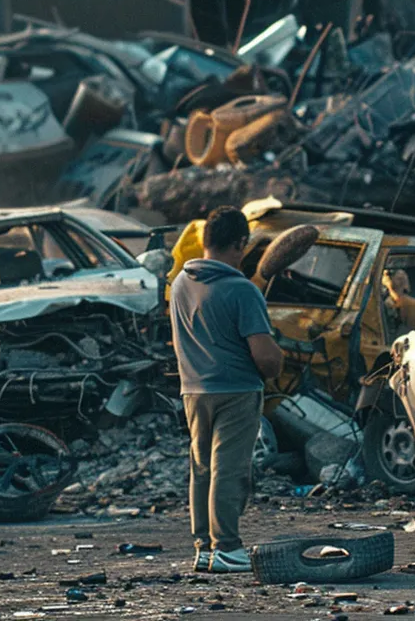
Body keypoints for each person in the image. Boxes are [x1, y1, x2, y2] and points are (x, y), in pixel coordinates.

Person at [170, 206, 283, 574]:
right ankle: (229, 548)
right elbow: (264, 356)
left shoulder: (180, 285)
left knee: (202, 468)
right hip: (236, 390)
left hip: (193, 390)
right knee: (230, 469)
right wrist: (279, 359)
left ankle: (204, 548)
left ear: (204, 241)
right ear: (240, 244)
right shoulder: (241, 290)